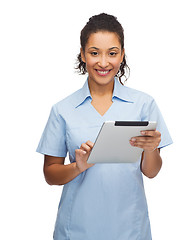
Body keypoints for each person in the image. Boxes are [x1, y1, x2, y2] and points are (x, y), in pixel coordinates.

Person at [36, 13, 172, 240]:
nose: (103, 62)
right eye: (94, 53)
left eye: (112, 53)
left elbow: (151, 171)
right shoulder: (63, 110)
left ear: (122, 55)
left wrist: (150, 149)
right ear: (82, 54)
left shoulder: (143, 104)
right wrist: (77, 167)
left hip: (130, 230)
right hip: (77, 230)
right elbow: (50, 174)